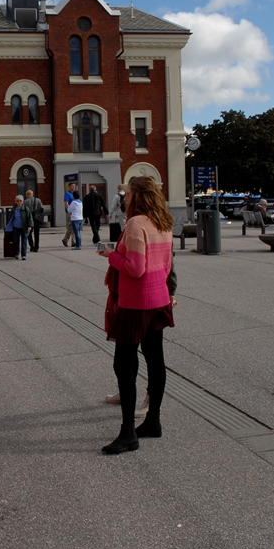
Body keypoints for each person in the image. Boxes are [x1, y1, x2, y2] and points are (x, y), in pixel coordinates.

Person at [98, 176, 176, 454]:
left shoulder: (135, 224)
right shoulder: (164, 222)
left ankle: (128, 432)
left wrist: (110, 255)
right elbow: (166, 267)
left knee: (123, 365)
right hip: (158, 301)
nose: (125, 197)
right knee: (156, 362)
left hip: (135, 304)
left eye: (128, 193)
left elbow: (135, 268)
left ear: (138, 196)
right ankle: (153, 421)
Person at [5, 194, 33, 260]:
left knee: (24, 241)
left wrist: (30, 226)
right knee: (16, 241)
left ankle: (24, 255)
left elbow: (30, 218)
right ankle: (16, 253)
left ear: (22, 201)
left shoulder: (26, 209)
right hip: (15, 227)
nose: (19, 202)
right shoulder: (13, 209)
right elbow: (10, 218)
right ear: (15, 201)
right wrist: (8, 226)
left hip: (24, 227)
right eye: (17, 201)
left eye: (20, 201)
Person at [61, 182, 77, 247]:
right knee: (71, 226)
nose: (74, 187)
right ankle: (73, 241)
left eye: (74, 186)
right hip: (69, 212)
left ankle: (66, 239)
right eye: (72, 186)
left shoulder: (74, 194)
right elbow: (66, 203)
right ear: (69, 187)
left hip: (74, 212)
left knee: (72, 227)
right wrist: (69, 210)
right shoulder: (67, 194)